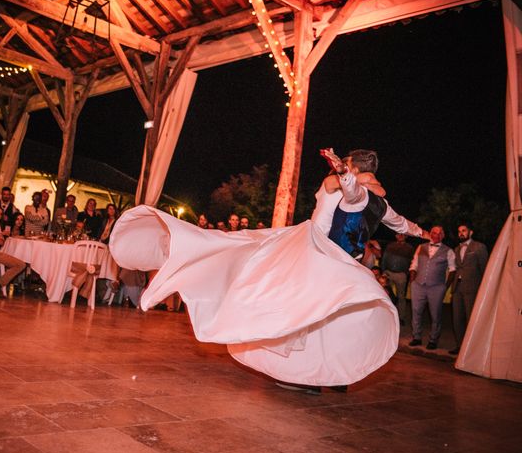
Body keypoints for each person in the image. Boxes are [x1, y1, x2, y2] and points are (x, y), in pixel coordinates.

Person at [110, 148, 426, 390]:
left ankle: (319, 373)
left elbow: (356, 192)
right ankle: (321, 374)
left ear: (354, 167)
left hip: (318, 252)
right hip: (342, 261)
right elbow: (400, 221)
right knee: (311, 310)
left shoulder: (350, 188)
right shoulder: (373, 198)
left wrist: (342, 170)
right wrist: (421, 232)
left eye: (347, 164)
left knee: (305, 307)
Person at [409, 226, 456, 350]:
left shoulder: (448, 251)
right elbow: (414, 265)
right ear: (430, 234)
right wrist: (412, 281)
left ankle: (433, 340)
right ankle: (416, 337)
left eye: (440, 233)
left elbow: (452, 270)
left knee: (435, 315)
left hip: (437, 287)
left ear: (443, 236)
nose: (437, 235)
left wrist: (445, 287)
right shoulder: (421, 247)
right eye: (434, 232)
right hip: (418, 285)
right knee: (416, 312)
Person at [449, 224, 488, 355]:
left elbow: (484, 269)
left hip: (472, 288)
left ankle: (472, 349)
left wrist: (483, 289)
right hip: (457, 289)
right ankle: (460, 346)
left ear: (471, 232)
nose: (461, 233)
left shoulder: (479, 247)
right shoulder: (456, 249)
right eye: (459, 231)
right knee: (457, 319)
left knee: (471, 319)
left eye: (464, 231)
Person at [381, 233, 415, 325]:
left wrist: (406, 274)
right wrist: (383, 272)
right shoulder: (390, 246)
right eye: (398, 234)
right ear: (395, 235)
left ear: (406, 236)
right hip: (388, 273)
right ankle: (385, 315)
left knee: (401, 297)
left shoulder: (410, 248)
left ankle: (401, 317)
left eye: (402, 235)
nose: (400, 236)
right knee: (386, 295)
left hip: (401, 274)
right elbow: (384, 259)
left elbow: (413, 262)